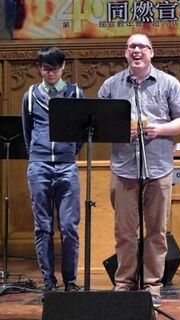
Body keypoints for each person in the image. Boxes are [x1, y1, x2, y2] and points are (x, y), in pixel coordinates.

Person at [98, 33, 180, 306]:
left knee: (156, 232)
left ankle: (152, 286)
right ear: (125, 54)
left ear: (152, 52)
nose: (136, 51)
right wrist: (119, 129)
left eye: (142, 46)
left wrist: (160, 129)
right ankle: (124, 285)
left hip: (159, 168)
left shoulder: (168, 83)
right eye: (131, 47)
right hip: (124, 169)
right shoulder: (111, 85)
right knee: (125, 233)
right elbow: (100, 124)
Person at [22, 46, 84, 293]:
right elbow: (28, 133)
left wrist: (68, 152)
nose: (49, 73)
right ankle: (48, 281)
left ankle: (70, 282)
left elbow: (80, 132)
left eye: (54, 69)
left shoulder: (75, 93)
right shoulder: (30, 95)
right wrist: (37, 156)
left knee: (69, 226)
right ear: (40, 68)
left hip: (67, 165)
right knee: (43, 227)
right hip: (39, 166)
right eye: (45, 69)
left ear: (63, 68)